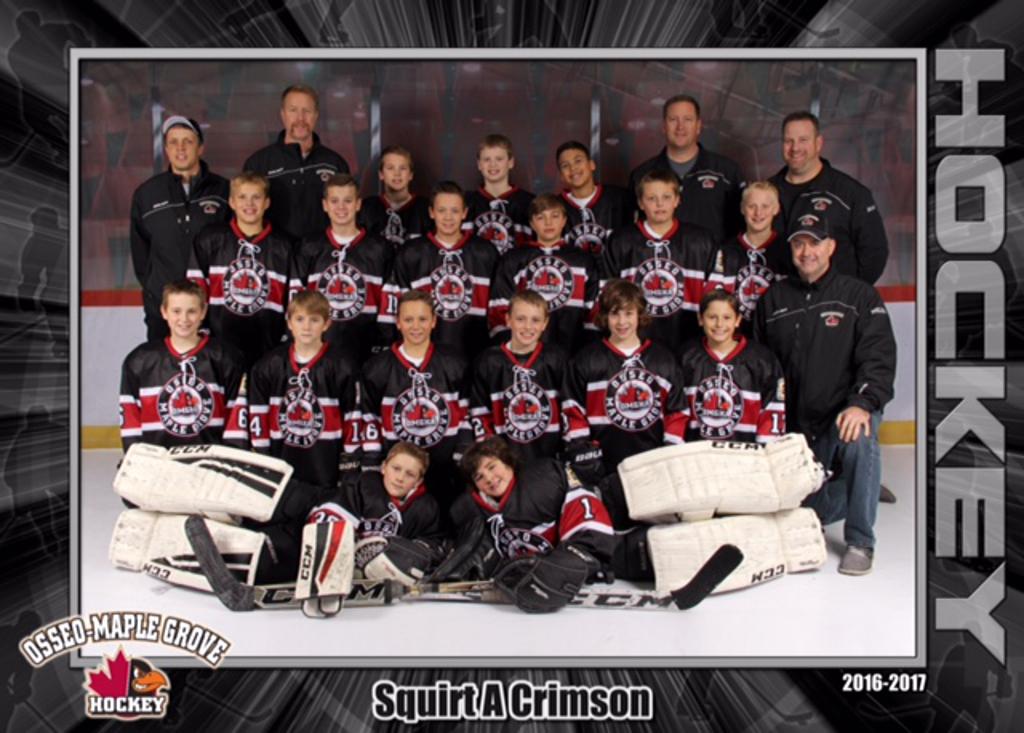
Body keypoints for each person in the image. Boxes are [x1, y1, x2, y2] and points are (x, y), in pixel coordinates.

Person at [754, 219, 896, 575]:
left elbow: (878, 358)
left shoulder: (859, 295)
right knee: (803, 512)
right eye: (798, 244)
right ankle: (860, 487)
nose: (806, 252)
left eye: (815, 243)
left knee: (860, 438)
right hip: (796, 426)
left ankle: (860, 541)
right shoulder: (773, 298)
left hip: (841, 414)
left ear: (831, 247)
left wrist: (861, 404)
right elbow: (757, 362)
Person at [432, 437, 617, 614]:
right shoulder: (469, 509)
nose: (488, 478)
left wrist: (571, 563)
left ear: (508, 463)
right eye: (479, 476)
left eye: (491, 467)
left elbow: (584, 509)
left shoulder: (544, 480)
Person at [561, 279, 687, 497]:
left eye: (628, 313)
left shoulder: (663, 360)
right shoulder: (586, 360)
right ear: (604, 316)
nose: (622, 322)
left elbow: (677, 413)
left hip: (651, 467)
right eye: (614, 314)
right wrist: (583, 453)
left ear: (639, 315)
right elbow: (573, 410)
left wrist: (668, 455)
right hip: (603, 469)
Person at [361, 290, 472, 512]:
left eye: (422, 319)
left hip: (446, 470)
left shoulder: (455, 363)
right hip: (399, 475)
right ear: (398, 322)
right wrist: (373, 462)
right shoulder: (376, 368)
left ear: (434, 321)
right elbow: (369, 417)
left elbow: (467, 412)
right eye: (408, 319)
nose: (416, 326)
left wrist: (462, 453)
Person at [248, 290, 362, 490]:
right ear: (289, 323)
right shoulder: (268, 366)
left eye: (314, 320)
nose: (306, 327)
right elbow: (258, 418)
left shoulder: (343, 366)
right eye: (300, 319)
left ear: (326, 324)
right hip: (280, 472)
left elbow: (352, 418)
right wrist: (263, 462)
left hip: (325, 471)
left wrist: (347, 468)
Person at [130, 115, 230, 341]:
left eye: (188, 141)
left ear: (201, 147)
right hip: (164, 311)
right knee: (163, 364)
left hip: (214, 309)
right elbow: (141, 255)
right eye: (173, 142)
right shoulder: (146, 194)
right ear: (166, 149)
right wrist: (157, 293)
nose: (180, 148)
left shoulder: (224, 190)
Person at [601, 169, 722, 351]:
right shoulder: (620, 241)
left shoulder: (701, 241)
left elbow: (717, 300)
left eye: (666, 197)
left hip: (690, 345)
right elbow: (607, 297)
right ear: (640, 203)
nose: (659, 204)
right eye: (651, 198)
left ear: (677, 200)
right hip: (634, 347)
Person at [119, 280, 247, 450]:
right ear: (164, 312)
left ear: (203, 312)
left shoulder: (226, 358)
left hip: (210, 462)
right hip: (158, 462)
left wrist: (230, 458)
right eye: (176, 311)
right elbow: (131, 419)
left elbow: (235, 418)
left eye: (191, 311)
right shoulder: (139, 360)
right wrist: (136, 457)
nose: (184, 319)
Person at [187, 171, 297, 370]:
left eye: (256, 197)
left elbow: (294, 299)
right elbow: (194, 293)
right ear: (231, 202)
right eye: (242, 197)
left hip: (269, 349)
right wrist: (201, 334)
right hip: (219, 347)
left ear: (267, 203)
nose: (249, 204)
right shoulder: (210, 240)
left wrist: (288, 339)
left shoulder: (284, 246)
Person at [381, 181, 499, 363]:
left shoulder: (486, 253)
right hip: (424, 360)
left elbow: (497, 310)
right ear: (431, 212)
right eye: (442, 210)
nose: (448, 217)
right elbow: (393, 308)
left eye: (454, 211)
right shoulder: (411, 253)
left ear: (464, 213)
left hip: (476, 356)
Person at [769, 111, 889, 284]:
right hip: (778, 297)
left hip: (836, 298)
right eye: (789, 141)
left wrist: (848, 293)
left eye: (803, 140)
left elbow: (875, 254)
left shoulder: (850, 193)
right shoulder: (764, 194)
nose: (795, 148)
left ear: (818, 143)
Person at [294, 172, 393, 364]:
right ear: (325, 205)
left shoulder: (380, 248)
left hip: (366, 350)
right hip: (319, 351)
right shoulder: (309, 247)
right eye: (334, 201)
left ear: (358, 204)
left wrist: (384, 343)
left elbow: (388, 304)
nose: (341, 207)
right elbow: (297, 301)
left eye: (347, 201)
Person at [488, 194, 599, 353]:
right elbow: (499, 309)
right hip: (524, 353)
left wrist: (588, 350)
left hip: (573, 350)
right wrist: (511, 352)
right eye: (541, 217)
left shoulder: (583, 260)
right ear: (532, 223)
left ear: (564, 220)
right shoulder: (513, 258)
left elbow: (593, 310)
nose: (548, 223)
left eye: (555, 216)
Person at [628, 94, 745, 242]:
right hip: (659, 256)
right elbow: (632, 232)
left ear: (698, 126)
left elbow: (742, 230)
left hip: (713, 256)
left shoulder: (727, 172)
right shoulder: (641, 175)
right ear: (664, 126)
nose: (680, 127)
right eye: (673, 120)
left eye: (687, 119)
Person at [243, 84, 350, 241]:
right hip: (275, 252)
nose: (300, 118)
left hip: (321, 253)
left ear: (316, 115)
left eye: (307, 111)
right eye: (293, 110)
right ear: (283, 114)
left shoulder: (335, 164)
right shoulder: (258, 164)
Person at [469, 290, 567, 462]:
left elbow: (569, 411)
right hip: (505, 463)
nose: (528, 327)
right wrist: (493, 456)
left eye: (535, 320)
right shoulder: (488, 362)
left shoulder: (557, 359)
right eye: (521, 319)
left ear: (545, 323)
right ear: (508, 320)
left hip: (549, 462)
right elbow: (480, 415)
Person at [679, 289, 786, 443]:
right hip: (697, 454)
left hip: (745, 453)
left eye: (727, 317)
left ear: (737, 320)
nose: (719, 324)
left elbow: (772, 412)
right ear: (700, 319)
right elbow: (676, 413)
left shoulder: (762, 360)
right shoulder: (685, 357)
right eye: (712, 317)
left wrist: (764, 451)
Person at [708, 181, 788, 331]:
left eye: (765, 206)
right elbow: (714, 301)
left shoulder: (787, 251)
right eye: (752, 206)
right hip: (734, 336)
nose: (758, 213)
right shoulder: (725, 251)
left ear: (776, 209)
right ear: (742, 208)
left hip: (775, 334)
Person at [555, 141, 633, 256]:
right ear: (561, 175)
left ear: (592, 165)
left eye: (578, 161)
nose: (573, 168)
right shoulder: (554, 207)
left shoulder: (619, 198)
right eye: (565, 166)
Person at [464, 133, 534, 255]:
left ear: (511, 162)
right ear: (479, 164)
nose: (493, 164)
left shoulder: (529, 203)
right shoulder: (466, 202)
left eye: (499, 159)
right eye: (487, 159)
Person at [359, 145, 432, 246]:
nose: (397, 173)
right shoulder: (367, 208)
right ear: (381, 174)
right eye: (390, 168)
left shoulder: (425, 208)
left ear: (410, 175)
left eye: (402, 168)